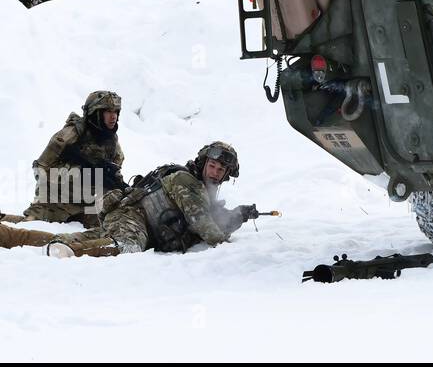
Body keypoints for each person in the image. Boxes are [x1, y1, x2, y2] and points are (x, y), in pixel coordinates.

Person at [0, 142, 262, 258]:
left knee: (75, 238)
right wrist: (230, 248)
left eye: (221, 170)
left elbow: (213, 219)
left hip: (132, 217)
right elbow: (203, 224)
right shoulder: (187, 182)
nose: (215, 172)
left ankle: (8, 236)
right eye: (213, 166)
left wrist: (237, 216)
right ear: (204, 162)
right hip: (134, 217)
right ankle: (72, 253)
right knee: (126, 246)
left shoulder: (202, 189)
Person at [21, 90, 126, 227]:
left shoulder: (112, 142)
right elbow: (40, 169)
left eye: (116, 112)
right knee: (25, 230)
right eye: (108, 111)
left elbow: (114, 175)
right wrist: (78, 173)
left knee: (111, 227)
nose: (113, 117)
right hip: (53, 203)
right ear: (95, 112)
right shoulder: (72, 133)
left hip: (85, 206)